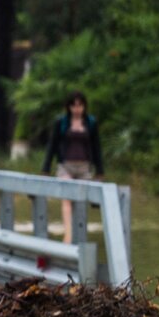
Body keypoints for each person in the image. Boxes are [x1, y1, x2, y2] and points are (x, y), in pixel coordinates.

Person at [42, 91, 104, 244]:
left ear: (84, 107)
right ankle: (68, 236)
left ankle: (79, 237)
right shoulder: (61, 123)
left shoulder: (90, 123)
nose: (77, 109)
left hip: (84, 167)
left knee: (80, 201)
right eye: (74, 106)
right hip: (66, 166)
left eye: (80, 105)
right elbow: (52, 145)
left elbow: (96, 147)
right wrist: (46, 168)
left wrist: (100, 171)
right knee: (67, 198)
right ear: (69, 107)